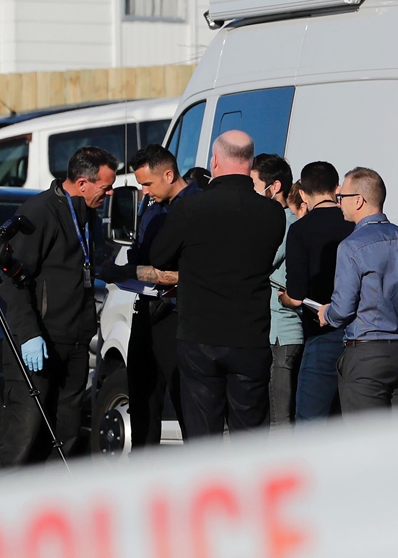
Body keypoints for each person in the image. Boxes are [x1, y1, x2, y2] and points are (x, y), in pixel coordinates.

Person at [149, 131, 286, 438]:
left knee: (202, 437)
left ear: (215, 160)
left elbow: (160, 256)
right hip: (250, 336)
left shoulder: (191, 209)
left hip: (200, 335)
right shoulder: (272, 213)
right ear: (250, 162)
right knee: (250, 438)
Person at [0, 146, 118, 467]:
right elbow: (12, 279)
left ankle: (50, 508)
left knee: (64, 437)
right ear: (82, 183)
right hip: (39, 340)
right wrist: (28, 335)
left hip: (75, 342)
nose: (110, 192)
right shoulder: (39, 213)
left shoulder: (87, 213)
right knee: (25, 433)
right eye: (105, 187)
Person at [99, 145, 201, 448]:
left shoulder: (197, 206)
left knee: (189, 407)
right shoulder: (153, 207)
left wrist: (128, 271)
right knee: (142, 399)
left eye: (147, 184)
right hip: (146, 310)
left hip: (182, 316)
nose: (143, 192)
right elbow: (144, 254)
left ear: (168, 174)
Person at [319, 167, 398, 413]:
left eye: (342, 198)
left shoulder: (351, 246)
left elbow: (342, 309)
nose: (339, 203)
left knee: (366, 443)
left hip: (366, 356)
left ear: (359, 201)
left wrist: (326, 314)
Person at [280, 161, 353, 421]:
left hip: (321, 333)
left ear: (302, 193)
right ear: (337, 188)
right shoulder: (354, 224)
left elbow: (296, 294)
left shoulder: (300, 230)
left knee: (312, 420)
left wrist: (284, 298)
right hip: (360, 334)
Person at [252, 153, 303, 427]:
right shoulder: (284, 220)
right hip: (277, 331)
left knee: (279, 419)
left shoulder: (284, 222)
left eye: (254, 185)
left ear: (275, 187)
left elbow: (259, 261)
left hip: (281, 332)